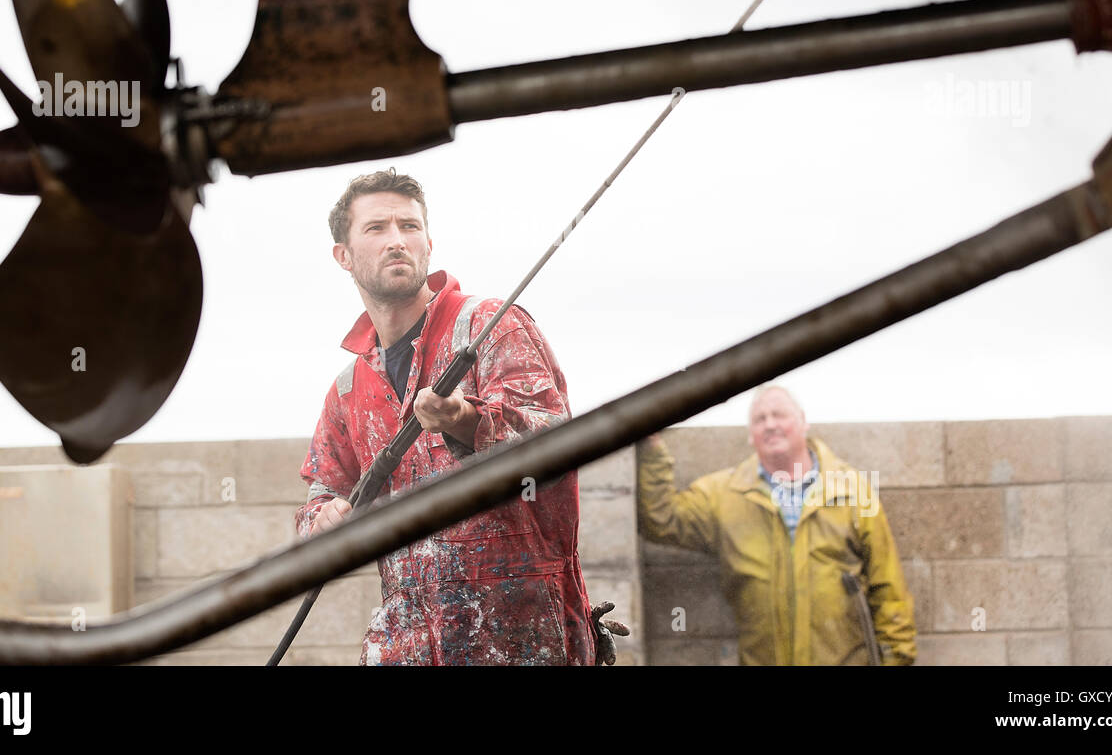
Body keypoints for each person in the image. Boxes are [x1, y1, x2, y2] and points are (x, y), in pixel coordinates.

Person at [295, 168, 596, 665]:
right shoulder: (348, 390)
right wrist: (322, 522)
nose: (397, 241)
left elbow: (556, 442)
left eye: (409, 227)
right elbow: (321, 497)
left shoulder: (488, 327)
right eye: (377, 229)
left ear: (428, 243)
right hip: (408, 646)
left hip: (522, 639)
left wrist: (465, 419)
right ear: (343, 256)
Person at [637, 384, 917, 665]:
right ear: (750, 435)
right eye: (760, 419)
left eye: (779, 414)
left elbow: (889, 587)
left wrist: (897, 659)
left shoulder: (852, 490)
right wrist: (652, 448)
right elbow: (660, 521)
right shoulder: (724, 495)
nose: (770, 424)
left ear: (803, 421)